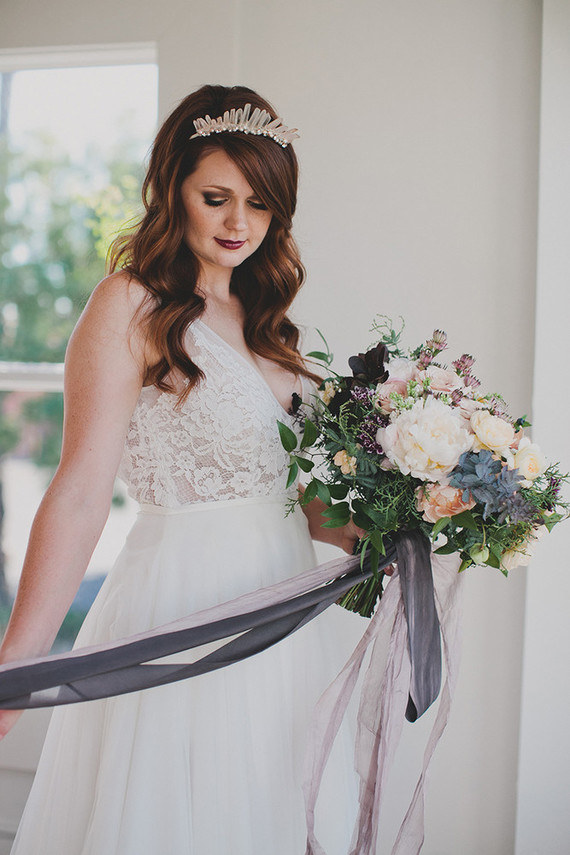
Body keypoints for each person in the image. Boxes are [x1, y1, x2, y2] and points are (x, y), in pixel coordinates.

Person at [0, 85, 367, 854]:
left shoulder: (275, 331)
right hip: (179, 610)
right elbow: (76, 496)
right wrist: (18, 664)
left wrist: (415, 515)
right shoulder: (128, 307)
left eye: (261, 204)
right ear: (173, 189)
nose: (240, 223)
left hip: (282, 623)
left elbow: (314, 514)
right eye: (217, 197)